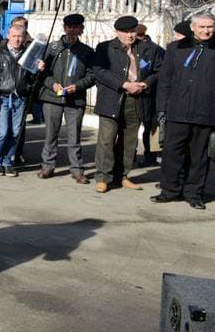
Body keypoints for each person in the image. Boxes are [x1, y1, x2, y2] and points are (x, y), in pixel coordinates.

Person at [92, 15, 163, 193]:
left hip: (137, 100)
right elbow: (99, 71)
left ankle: (122, 175)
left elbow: (158, 71)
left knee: (129, 140)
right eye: (126, 32)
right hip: (112, 98)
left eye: (133, 31)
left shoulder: (148, 48)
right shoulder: (105, 48)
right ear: (117, 32)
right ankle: (103, 177)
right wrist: (123, 84)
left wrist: (146, 83)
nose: (130, 35)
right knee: (107, 140)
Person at [153, 13, 215, 211]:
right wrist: (162, 107)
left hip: (205, 111)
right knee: (172, 152)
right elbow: (165, 81)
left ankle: (194, 193)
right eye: (202, 27)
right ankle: (170, 190)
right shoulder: (175, 48)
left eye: (210, 27)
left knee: (199, 156)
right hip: (177, 111)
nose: (206, 31)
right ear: (193, 27)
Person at [37, 14, 95, 183]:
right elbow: (42, 72)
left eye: (76, 27)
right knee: (50, 134)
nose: (72, 30)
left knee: (74, 136)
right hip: (52, 97)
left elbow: (92, 75)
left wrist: (78, 86)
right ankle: (47, 165)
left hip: (75, 100)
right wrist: (52, 84)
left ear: (81, 30)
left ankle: (77, 170)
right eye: (69, 27)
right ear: (64, 28)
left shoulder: (87, 51)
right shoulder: (53, 48)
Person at [0, 25, 40, 176]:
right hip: (3, 97)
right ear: (8, 35)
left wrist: (38, 69)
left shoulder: (28, 55)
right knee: (2, 131)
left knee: (15, 132)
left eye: (20, 36)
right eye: (14, 36)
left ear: (24, 37)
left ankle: (8, 161)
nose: (17, 39)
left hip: (20, 98)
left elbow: (32, 78)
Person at [134, 23, 163, 166]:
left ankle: (150, 157)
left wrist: (146, 83)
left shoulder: (156, 50)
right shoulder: (130, 47)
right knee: (132, 127)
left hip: (150, 95)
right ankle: (130, 156)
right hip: (132, 94)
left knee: (150, 127)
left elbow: (160, 71)